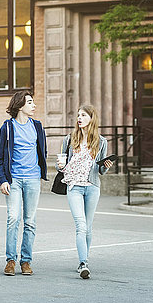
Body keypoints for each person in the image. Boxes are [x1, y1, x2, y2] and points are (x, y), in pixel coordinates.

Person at [57, 105, 113, 279]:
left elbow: (100, 171)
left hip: (92, 187)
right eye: (78, 115)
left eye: (83, 115)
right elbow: (62, 164)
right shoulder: (69, 139)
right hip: (73, 186)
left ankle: (84, 259)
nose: (79, 118)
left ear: (91, 118)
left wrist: (106, 167)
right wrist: (60, 166)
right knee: (80, 225)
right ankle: (83, 264)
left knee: (88, 227)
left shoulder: (102, 142)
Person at [0, 91, 48, 276]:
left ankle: (26, 261)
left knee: (30, 222)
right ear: (19, 106)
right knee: (13, 218)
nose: (34, 106)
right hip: (14, 180)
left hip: (33, 179)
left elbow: (43, 151)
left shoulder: (37, 126)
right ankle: (11, 260)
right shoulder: (8, 128)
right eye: (30, 102)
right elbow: (0, 158)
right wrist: (3, 180)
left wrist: (42, 170)